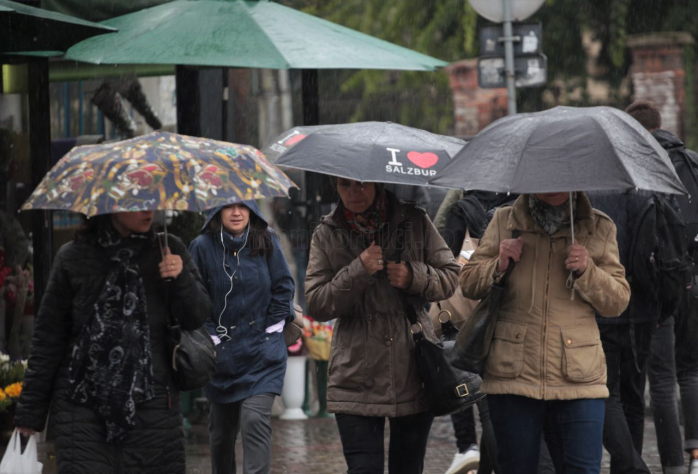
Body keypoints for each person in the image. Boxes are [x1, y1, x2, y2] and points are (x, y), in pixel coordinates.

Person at [14, 210, 211, 474]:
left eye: (151, 201)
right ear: (110, 207)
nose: (148, 210)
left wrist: (181, 278)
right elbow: (49, 338)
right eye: (137, 202)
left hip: (152, 410)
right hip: (82, 409)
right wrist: (30, 413)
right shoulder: (73, 257)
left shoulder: (168, 249)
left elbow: (196, 316)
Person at [460, 192, 630, 474]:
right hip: (512, 373)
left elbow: (618, 301)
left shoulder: (599, 226)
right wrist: (498, 264)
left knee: (583, 469)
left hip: (579, 375)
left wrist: (588, 271)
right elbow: (467, 283)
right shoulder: (504, 220)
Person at [304, 178, 459, 474]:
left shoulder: (414, 220)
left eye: (362, 185)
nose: (354, 192)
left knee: (407, 468)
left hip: (413, 369)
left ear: (377, 184)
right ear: (336, 187)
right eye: (345, 185)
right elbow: (317, 303)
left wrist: (414, 276)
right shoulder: (327, 233)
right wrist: (357, 270)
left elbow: (451, 277)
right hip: (354, 372)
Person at [188, 200, 294, 474]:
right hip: (220, 359)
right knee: (221, 435)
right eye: (228, 207)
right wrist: (213, 339)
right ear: (216, 212)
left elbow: (284, 287)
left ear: (253, 210)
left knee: (253, 420)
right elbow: (195, 299)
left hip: (263, 356)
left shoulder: (266, 240)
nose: (236, 213)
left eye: (243, 207)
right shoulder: (201, 247)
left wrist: (271, 332)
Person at [589, 190, 687, 474]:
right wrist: (662, 310)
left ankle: (633, 467)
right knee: (633, 397)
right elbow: (672, 259)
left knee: (606, 395)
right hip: (643, 313)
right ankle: (629, 467)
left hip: (602, 308)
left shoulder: (587, 200)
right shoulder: (648, 196)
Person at [627, 99, 698, 474]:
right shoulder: (692, 161)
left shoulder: (641, 165)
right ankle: (686, 459)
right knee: (682, 375)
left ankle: (653, 463)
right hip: (687, 280)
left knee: (650, 384)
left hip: (652, 287)